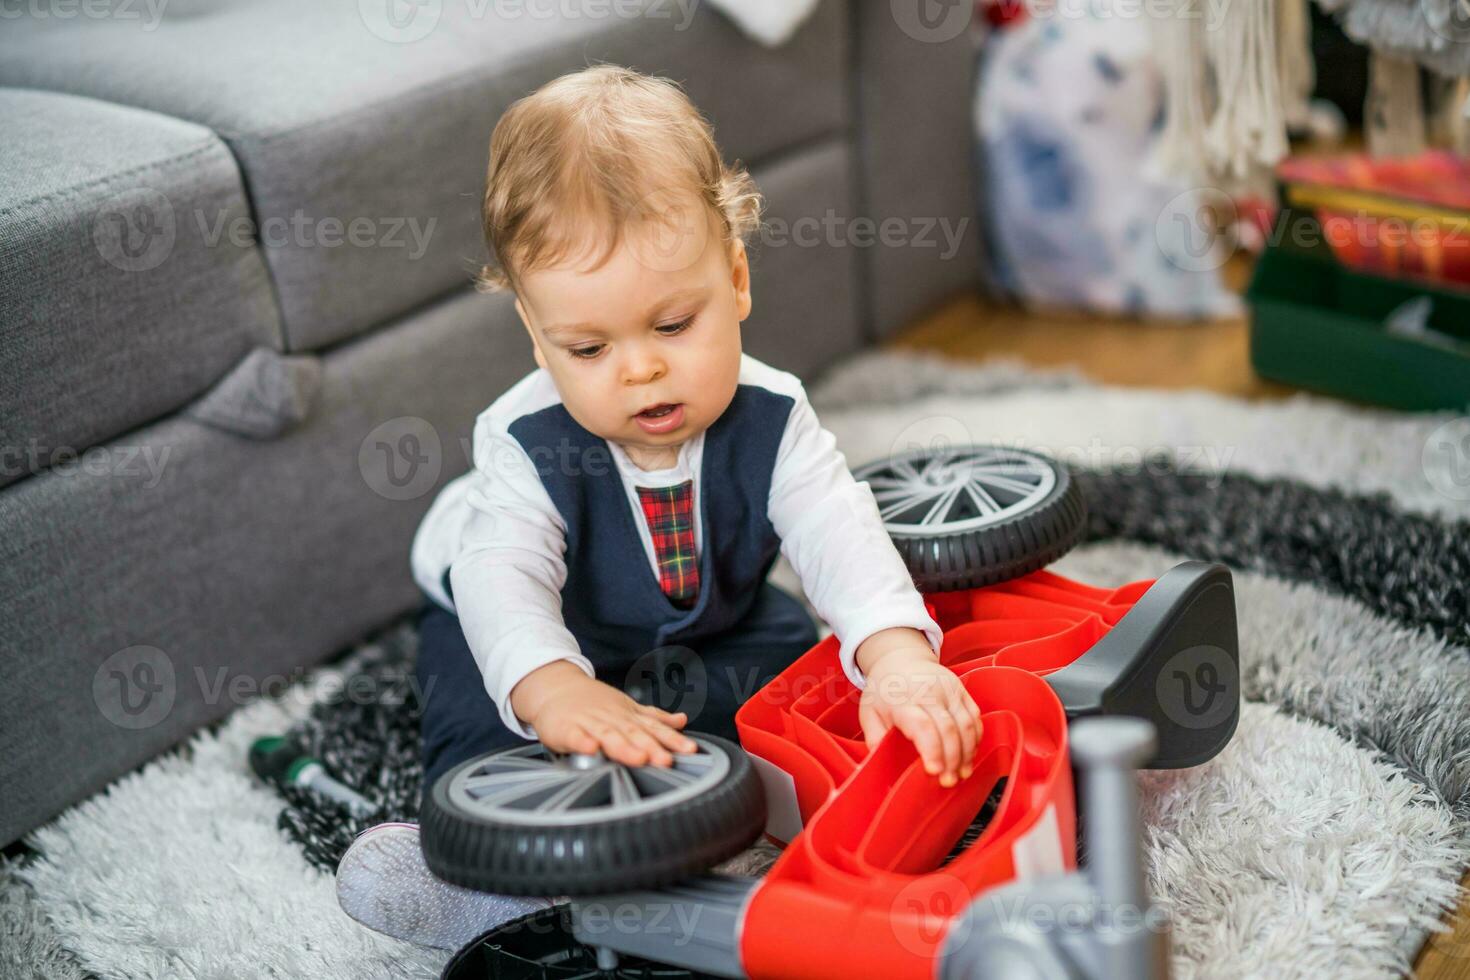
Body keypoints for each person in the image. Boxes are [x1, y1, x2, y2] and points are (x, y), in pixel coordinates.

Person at [336, 63, 982, 951]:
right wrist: (554, 687)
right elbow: (503, 577)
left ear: (738, 280)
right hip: (530, 622)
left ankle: (766, 839)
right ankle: (480, 888)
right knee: (480, 720)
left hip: (706, 617)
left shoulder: (775, 415)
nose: (639, 368)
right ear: (538, 337)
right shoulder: (523, 441)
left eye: (673, 326)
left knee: (803, 675)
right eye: (589, 346)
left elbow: (841, 532)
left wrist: (897, 656)